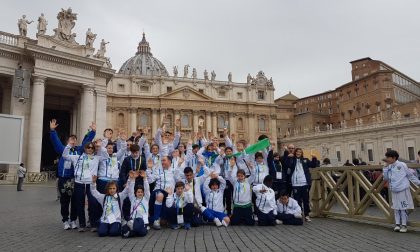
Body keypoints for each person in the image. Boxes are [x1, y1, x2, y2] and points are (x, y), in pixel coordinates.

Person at [49, 119, 96, 230]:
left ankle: (73, 220)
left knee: (75, 201)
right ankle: (65, 220)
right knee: (64, 201)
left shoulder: (79, 150)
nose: (73, 141)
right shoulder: (63, 149)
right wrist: (52, 131)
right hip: (64, 178)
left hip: (74, 179)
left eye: (75, 140)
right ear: (67, 141)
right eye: (71, 140)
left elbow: (86, 141)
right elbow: (55, 142)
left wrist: (92, 132)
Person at [62, 142, 103, 232]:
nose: (90, 149)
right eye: (88, 147)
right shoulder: (77, 157)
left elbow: (106, 157)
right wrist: (69, 145)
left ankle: (93, 224)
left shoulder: (96, 158)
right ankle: (82, 224)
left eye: (92, 148)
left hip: (91, 183)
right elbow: (65, 156)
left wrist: (100, 146)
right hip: (79, 183)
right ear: (85, 148)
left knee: (93, 203)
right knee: (79, 204)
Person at [383, 150, 420, 233]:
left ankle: (404, 225)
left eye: (388, 157)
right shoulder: (389, 166)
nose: (387, 159)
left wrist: (418, 183)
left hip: (402, 189)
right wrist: (385, 168)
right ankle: (397, 224)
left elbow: (410, 175)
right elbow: (385, 178)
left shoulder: (402, 165)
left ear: (394, 158)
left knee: (403, 208)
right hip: (394, 190)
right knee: (396, 207)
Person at [90, 172, 136, 237]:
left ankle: (117, 227)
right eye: (110, 188)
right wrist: (93, 183)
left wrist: (130, 178)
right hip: (105, 220)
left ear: (116, 189)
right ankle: (105, 227)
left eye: (113, 188)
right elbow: (94, 192)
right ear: (107, 189)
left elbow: (127, 189)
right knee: (101, 233)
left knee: (113, 233)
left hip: (116, 220)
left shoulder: (120, 196)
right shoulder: (103, 197)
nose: (112, 190)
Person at [285, 147, 318, 222]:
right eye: (297, 152)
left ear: (301, 153)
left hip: (304, 182)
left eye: (299, 152)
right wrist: (288, 157)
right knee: (297, 200)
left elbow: (313, 165)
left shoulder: (305, 160)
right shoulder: (292, 160)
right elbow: (287, 165)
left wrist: (314, 158)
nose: (298, 153)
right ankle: (299, 213)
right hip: (295, 183)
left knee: (306, 200)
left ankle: (306, 215)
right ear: (295, 152)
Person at [146, 156, 177, 230]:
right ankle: (156, 220)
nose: (162, 162)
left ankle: (154, 219)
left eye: (164, 160)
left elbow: (180, 180)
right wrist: (149, 169)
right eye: (162, 161)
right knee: (160, 195)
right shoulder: (158, 170)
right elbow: (150, 181)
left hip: (170, 193)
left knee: (163, 221)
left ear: (169, 162)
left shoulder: (174, 171)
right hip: (158, 191)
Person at [122, 170, 149, 238]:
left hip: (142, 220)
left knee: (140, 231)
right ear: (135, 193)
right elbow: (130, 190)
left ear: (143, 193)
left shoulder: (146, 199)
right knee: (136, 230)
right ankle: (133, 229)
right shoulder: (133, 199)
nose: (140, 193)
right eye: (138, 192)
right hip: (133, 220)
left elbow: (147, 189)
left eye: (141, 192)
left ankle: (131, 232)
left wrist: (145, 178)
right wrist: (133, 179)